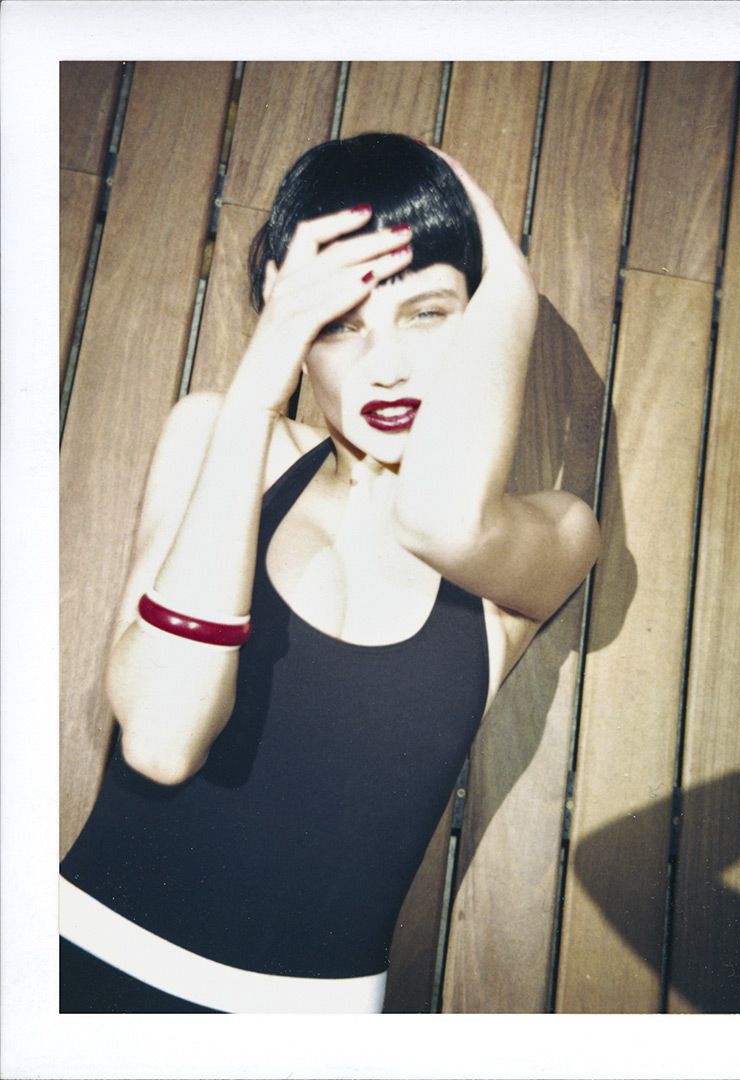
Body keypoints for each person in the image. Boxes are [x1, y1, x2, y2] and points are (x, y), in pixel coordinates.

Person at [59, 133, 600, 1013]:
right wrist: (256, 388)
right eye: (340, 325)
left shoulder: (552, 535)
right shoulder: (222, 438)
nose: (386, 365)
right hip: (78, 975)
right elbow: (161, 738)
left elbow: (440, 517)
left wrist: (510, 279)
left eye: (428, 313)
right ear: (295, 339)